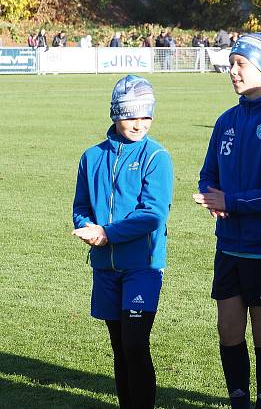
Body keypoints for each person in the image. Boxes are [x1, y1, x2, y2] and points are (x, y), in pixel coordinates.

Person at [194, 33, 261, 409]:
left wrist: (232, 202)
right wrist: (210, 195)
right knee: (228, 329)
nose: (232, 70)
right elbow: (208, 173)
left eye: (241, 64)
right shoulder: (226, 121)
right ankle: (238, 399)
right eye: (231, 63)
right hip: (229, 247)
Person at [72, 75, 174, 409]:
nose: (140, 123)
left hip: (142, 267)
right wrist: (86, 226)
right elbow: (81, 207)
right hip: (104, 268)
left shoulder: (156, 157)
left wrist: (106, 234)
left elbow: (152, 215)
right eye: (132, 115)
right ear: (116, 114)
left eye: (146, 116)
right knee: (119, 347)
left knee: (134, 344)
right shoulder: (91, 157)